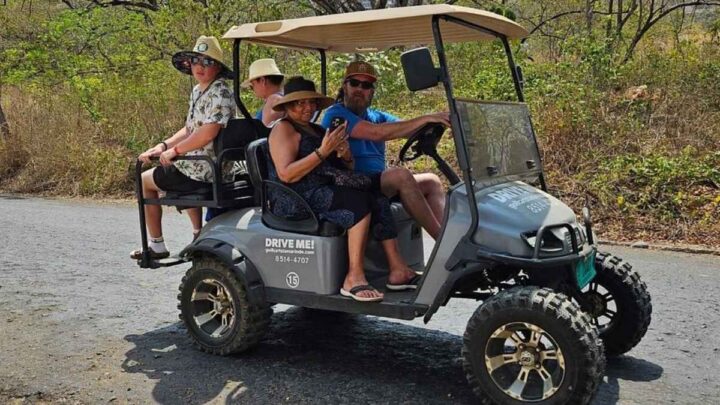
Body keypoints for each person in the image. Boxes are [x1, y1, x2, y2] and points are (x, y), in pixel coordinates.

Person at [267, 76, 420, 302]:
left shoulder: (317, 131)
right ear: (288, 106)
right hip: (297, 196)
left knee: (375, 196)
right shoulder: (284, 130)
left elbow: (344, 167)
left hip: (321, 188)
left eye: (310, 102)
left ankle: (398, 269)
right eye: (300, 103)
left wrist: (345, 154)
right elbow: (287, 174)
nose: (307, 108)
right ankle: (354, 277)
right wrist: (322, 151)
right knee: (357, 203)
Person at [130, 36, 236, 260]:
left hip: (208, 167)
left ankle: (157, 244)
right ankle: (198, 233)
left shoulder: (220, 92)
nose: (200, 67)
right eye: (196, 61)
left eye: (207, 62)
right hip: (196, 162)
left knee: (143, 180)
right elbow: (189, 130)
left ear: (217, 67)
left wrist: (175, 152)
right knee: (169, 164)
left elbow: (208, 132)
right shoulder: (199, 90)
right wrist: (163, 146)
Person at [321, 61, 449, 240]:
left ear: (372, 91)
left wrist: (438, 124)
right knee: (400, 175)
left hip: (376, 183)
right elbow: (376, 133)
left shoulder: (377, 116)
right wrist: (426, 117)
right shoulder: (335, 115)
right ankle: (444, 243)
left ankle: (446, 236)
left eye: (366, 85)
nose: (359, 89)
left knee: (432, 181)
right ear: (344, 87)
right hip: (350, 185)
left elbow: (407, 128)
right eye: (354, 83)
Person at [241, 58, 285, 126]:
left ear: (262, 81)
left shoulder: (273, 100)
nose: (252, 89)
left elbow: (264, 132)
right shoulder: (283, 98)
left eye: (252, 85)